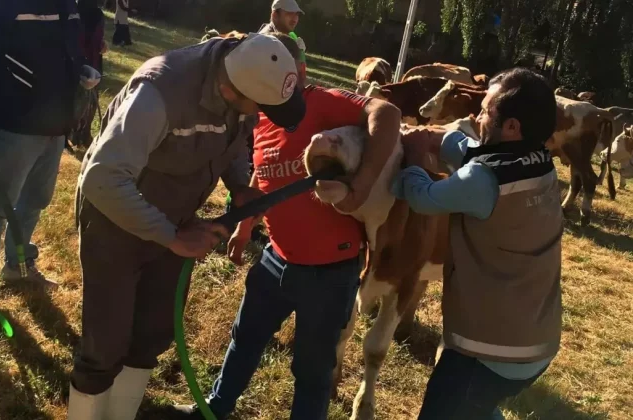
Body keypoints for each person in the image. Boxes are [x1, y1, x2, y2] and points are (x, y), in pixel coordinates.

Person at [68, 33, 309, 419]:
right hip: (115, 217)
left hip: (175, 220)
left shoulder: (242, 85)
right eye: (260, 108)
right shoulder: (159, 93)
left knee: (153, 331)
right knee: (106, 342)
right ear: (231, 91)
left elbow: (229, 141)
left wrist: (239, 186)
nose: (260, 117)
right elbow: (103, 179)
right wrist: (171, 237)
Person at [173, 33, 402, 420]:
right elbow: (266, 182)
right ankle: (214, 408)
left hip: (330, 272)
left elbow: (388, 114)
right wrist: (245, 231)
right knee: (244, 339)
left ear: (302, 71)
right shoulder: (262, 116)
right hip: (276, 258)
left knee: (311, 371)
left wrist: (360, 187)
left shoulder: (324, 102)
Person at [391, 68, 562, 419]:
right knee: (475, 410)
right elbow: (475, 153)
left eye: (485, 111)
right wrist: (432, 136)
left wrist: (412, 158)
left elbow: (423, 197)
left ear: (512, 127)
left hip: (491, 352)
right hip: (536, 339)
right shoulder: (539, 164)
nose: (476, 117)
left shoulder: (484, 181)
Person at [0, 0, 88, 309]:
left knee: (36, 199)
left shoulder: (68, 5)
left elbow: (68, 48)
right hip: (15, 121)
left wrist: (82, 70)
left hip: (55, 124)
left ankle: (17, 264)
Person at [68, 0, 108, 149]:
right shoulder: (73, 12)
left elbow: (97, 38)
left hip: (93, 61)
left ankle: (84, 134)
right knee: (75, 100)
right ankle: (70, 134)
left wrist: (102, 45)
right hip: (79, 61)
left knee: (90, 100)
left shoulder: (98, 14)